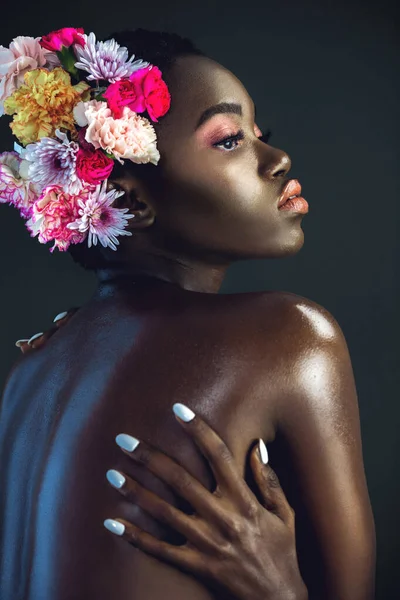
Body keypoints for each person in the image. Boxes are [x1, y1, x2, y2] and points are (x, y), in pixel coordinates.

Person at [0, 27, 375, 600]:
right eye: (228, 140)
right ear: (128, 202)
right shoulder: (290, 338)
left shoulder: (28, 375)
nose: (277, 159)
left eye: (260, 133)